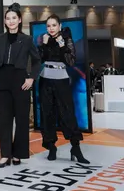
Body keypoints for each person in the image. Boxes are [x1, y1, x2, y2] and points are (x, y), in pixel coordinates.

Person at [0, 3, 41, 168]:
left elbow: (37, 61)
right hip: (3, 81)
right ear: (5, 21)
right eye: (8, 18)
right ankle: (5, 155)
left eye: (14, 18)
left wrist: (31, 78)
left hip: (20, 81)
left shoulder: (26, 40)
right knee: (4, 120)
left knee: (21, 120)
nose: (11, 21)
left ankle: (18, 154)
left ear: (19, 20)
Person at [37, 14, 89, 164]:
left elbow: (71, 62)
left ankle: (76, 148)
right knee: (47, 114)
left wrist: (61, 45)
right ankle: (51, 147)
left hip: (61, 79)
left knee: (67, 112)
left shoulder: (66, 39)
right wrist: (43, 45)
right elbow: (39, 59)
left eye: (54, 25)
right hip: (45, 79)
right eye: (48, 26)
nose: (51, 28)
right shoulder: (44, 39)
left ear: (59, 26)